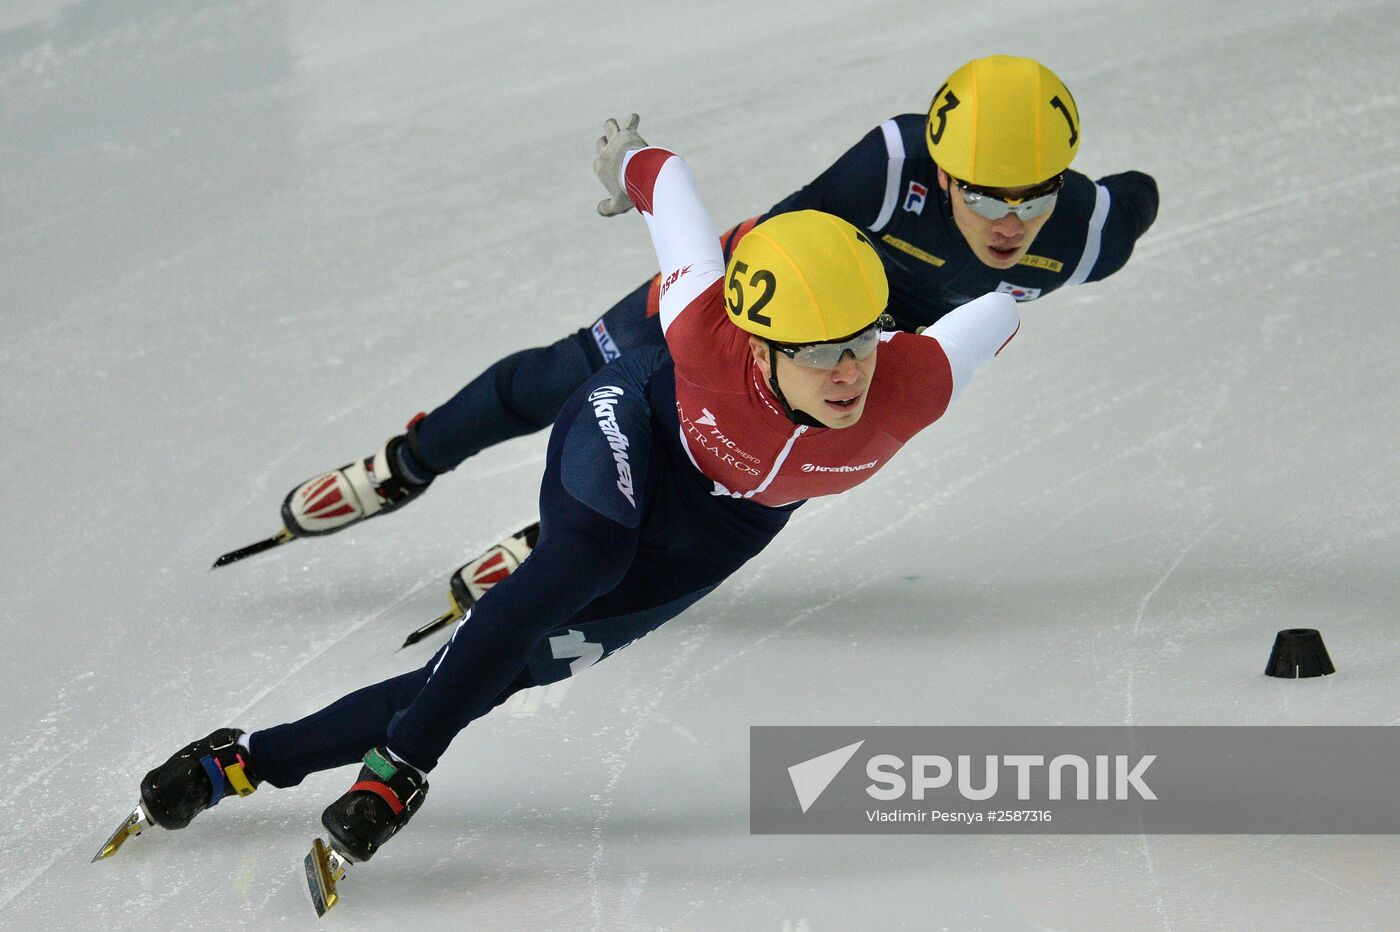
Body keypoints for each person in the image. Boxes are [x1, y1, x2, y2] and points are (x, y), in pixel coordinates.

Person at [125, 117, 1022, 896]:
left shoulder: (915, 384)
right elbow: (670, 190)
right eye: (820, 349)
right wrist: (625, 158)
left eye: (862, 338)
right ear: (758, 348)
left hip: (723, 525)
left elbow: (1002, 305)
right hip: (635, 422)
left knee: (516, 663)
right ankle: (400, 771)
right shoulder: (703, 327)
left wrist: (1019, 253)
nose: (850, 370)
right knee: (579, 562)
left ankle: (242, 759)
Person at [248, 56, 1157, 610]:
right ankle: (406, 463)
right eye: (982, 194)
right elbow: (782, 244)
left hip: (845, 363)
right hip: (759, 307)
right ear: (941, 171)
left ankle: (571, 525)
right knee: (568, 377)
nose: (1009, 221)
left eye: (1032, 197)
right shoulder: (891, 164)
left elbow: (1138, 199)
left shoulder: (1084, 238)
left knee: (727, 462)